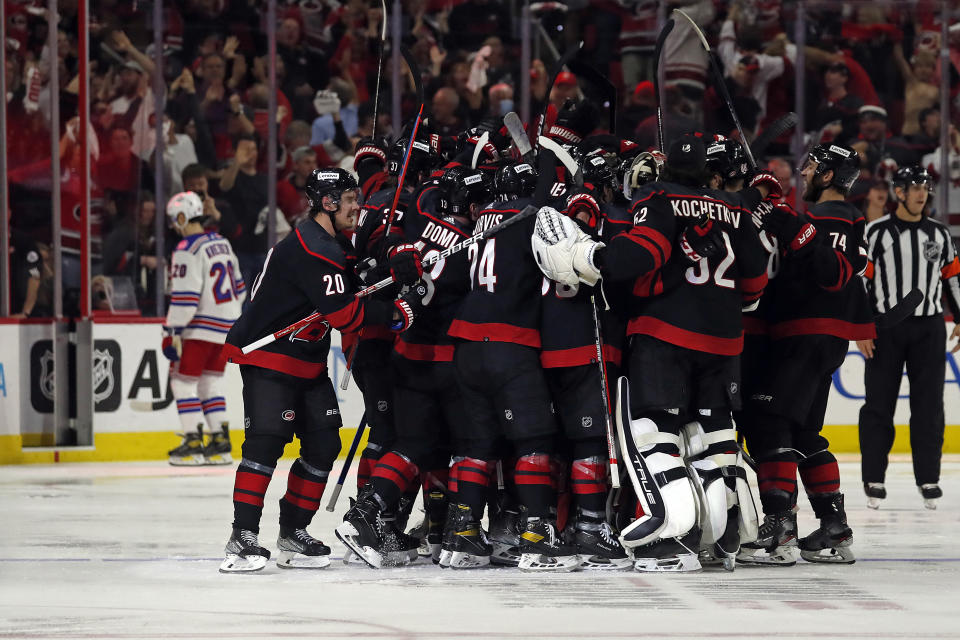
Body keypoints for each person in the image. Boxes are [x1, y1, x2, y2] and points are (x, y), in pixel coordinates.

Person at [218, 168, 427, 572]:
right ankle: (241, 538)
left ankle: (293, 532)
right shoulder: (315, 249)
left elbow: (354, 273)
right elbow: (345, 314)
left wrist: (387, 260)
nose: (357, 206)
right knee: (265, 445)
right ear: (328, 203)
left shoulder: (332, 243)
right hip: (270, 357)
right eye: (350, 200)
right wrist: (397, 313)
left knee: (323, 444)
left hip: (306, 358)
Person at [737, 143, 875, 566]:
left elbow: (831, 273)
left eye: (814, 166)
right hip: (821, 340)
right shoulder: (849, 219)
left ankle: (780, 530)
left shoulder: (831, 217)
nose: (805, 170)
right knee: (804, 434)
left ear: (829, 175)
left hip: (802, 334)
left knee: (769, 422)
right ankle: (834, 527)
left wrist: (781, 219)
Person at [858, 165, 960, 510]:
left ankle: (928, 477)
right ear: (899, 192)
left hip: (929, 328)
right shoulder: (875, 233)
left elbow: (953, 278)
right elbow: (862, 283)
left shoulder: (939, 234)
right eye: (915, 187)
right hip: (886, 329)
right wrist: (861, 326)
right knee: (878, 405)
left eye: (925, 187)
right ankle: (874, 477)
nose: (922, 193)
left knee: (930, 405)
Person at [162, 191, 245, 466]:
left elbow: (185, 298)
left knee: (182, 382)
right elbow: (241, 289)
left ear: (183, 217)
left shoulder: (187, 247)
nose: (175, 226)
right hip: (227, 326)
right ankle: (220, 444)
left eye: (176, 220)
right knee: (210, 382)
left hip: (199, 327)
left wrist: (172, 331)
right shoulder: (222, 242)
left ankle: (194, 442)